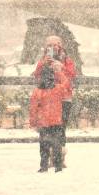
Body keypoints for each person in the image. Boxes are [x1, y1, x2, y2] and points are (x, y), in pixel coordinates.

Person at [32, 36, 77, 168]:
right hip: (48, 100)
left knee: (61, 128)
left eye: (55, 45)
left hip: (64, 99)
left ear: (60, 46)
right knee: (47, 129)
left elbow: (72, 75)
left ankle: (59, 157)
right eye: (49, 45)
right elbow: (36, 76)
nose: (53, 47)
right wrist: (43, 64)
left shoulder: (67, 60)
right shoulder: (43, 60)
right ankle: (49, 156)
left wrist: (61, 67)